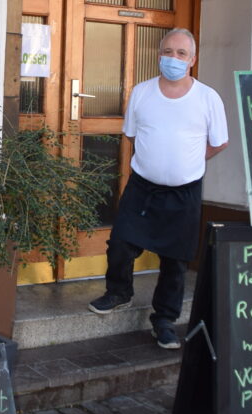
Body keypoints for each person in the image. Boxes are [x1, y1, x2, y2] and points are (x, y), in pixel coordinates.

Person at [88, 28, 228, 350]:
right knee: (121, 242)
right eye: (168, 52)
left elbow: (219, 142)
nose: (173, 58)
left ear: (193, 60)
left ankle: (164, 321)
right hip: (143, 188)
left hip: (184, 192)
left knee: (175, 260)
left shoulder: (207, 98)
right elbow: (133, 136)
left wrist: (188, 160)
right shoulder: (142, 92)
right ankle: (119, 292)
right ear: (159, 55)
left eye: (181, 54)